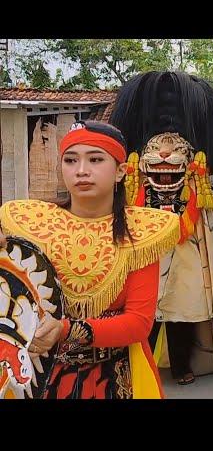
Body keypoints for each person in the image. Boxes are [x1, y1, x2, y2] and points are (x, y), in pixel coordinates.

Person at [0, 121, 180, 399]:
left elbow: (138, 323)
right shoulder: (33, 227)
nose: (81, 170)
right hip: (40, 375)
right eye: (70, 160)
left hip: (115, 378)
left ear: (120, 171)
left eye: (95, 159)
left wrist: (65, 330)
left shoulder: (140, 235)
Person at [110, 71, 213, 386]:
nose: (165, 159)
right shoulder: (134, 184)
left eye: (173, 156)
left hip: (187, 251)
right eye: (157, 154)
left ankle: (182, 363)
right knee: (143, 311)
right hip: (146, 250)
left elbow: (209, 211)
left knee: (183, 311)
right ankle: (138, 360)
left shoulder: (198, 181)